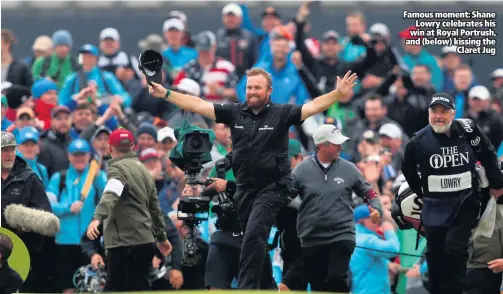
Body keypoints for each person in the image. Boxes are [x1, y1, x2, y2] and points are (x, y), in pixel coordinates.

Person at [148, 68, 358, 289]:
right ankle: (266, 287)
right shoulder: (234, 112)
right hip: (245, 190)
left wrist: (337, 94)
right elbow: (198, 105)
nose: (252, 91)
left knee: (254, 234)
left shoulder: (282, 113)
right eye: (249, 87)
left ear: (269, 90)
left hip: (273, 187)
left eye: (257, 87)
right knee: (252, 238)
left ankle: (247, 289)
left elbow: (313, 106)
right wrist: (166, 94)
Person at [401, 92, 503, 294]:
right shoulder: (418, 141)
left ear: (453, 113)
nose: (439, 116)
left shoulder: (469, 129)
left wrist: (497, 182)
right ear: (429, 113)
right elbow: (407, 169)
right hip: (434, 206)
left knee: (454, 249)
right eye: (434, 111)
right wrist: (421, 192)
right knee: (434, 254)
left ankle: (455, 290)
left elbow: (488, 153)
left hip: (465, 202)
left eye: (444, 112)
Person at [289, 124, 382, 292]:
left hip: (341, 234)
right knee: (317, 284)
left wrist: (376, 208)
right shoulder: (301, 170)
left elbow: (369, 193)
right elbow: (285, 196)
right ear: (321, 146)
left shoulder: (349, 168)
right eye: (335, 143)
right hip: (311, 237)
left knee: (336, 278)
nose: (340, 147)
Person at [86, 128, 172, 292]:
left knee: (114, 289)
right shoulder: (145, 172)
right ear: (133, 146)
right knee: (139, 287)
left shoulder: (117, 168)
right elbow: (155, 209)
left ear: (111, 147)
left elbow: (111, 192)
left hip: (122, 243)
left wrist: (97, 218)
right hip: (145, 241)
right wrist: (162, 238)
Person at [1, 131, 53, 293]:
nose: (9, 154)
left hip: (23, 250)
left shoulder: (30, 178)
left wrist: (24, 223)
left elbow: (46, 215)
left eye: (12, 149)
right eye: (4, 150)